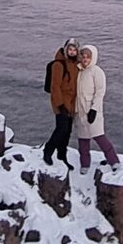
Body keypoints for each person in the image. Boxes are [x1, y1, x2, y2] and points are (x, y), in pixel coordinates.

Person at [73, 43, 121, 173]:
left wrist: (94, 109)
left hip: (92, 111)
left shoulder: (97, 72)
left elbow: (100, 92)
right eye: (83, 56)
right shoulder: (77, 71)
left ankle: (114, 161)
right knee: (83, 141)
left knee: (100, 137)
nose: (85, 59)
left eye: (88, 57)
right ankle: (85, 164)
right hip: (79, 111)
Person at [42, 36, 80, 166]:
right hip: (61, 103)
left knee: (67, 131)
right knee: (61, 129)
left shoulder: (75, 65)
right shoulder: (59, 64)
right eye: (70, 49)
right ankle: (48, 151)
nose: (72, 52)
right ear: (65, 50)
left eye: (74, 50)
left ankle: (61, 155)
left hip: (71, 104)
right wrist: (60, 105)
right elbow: (55, 86)